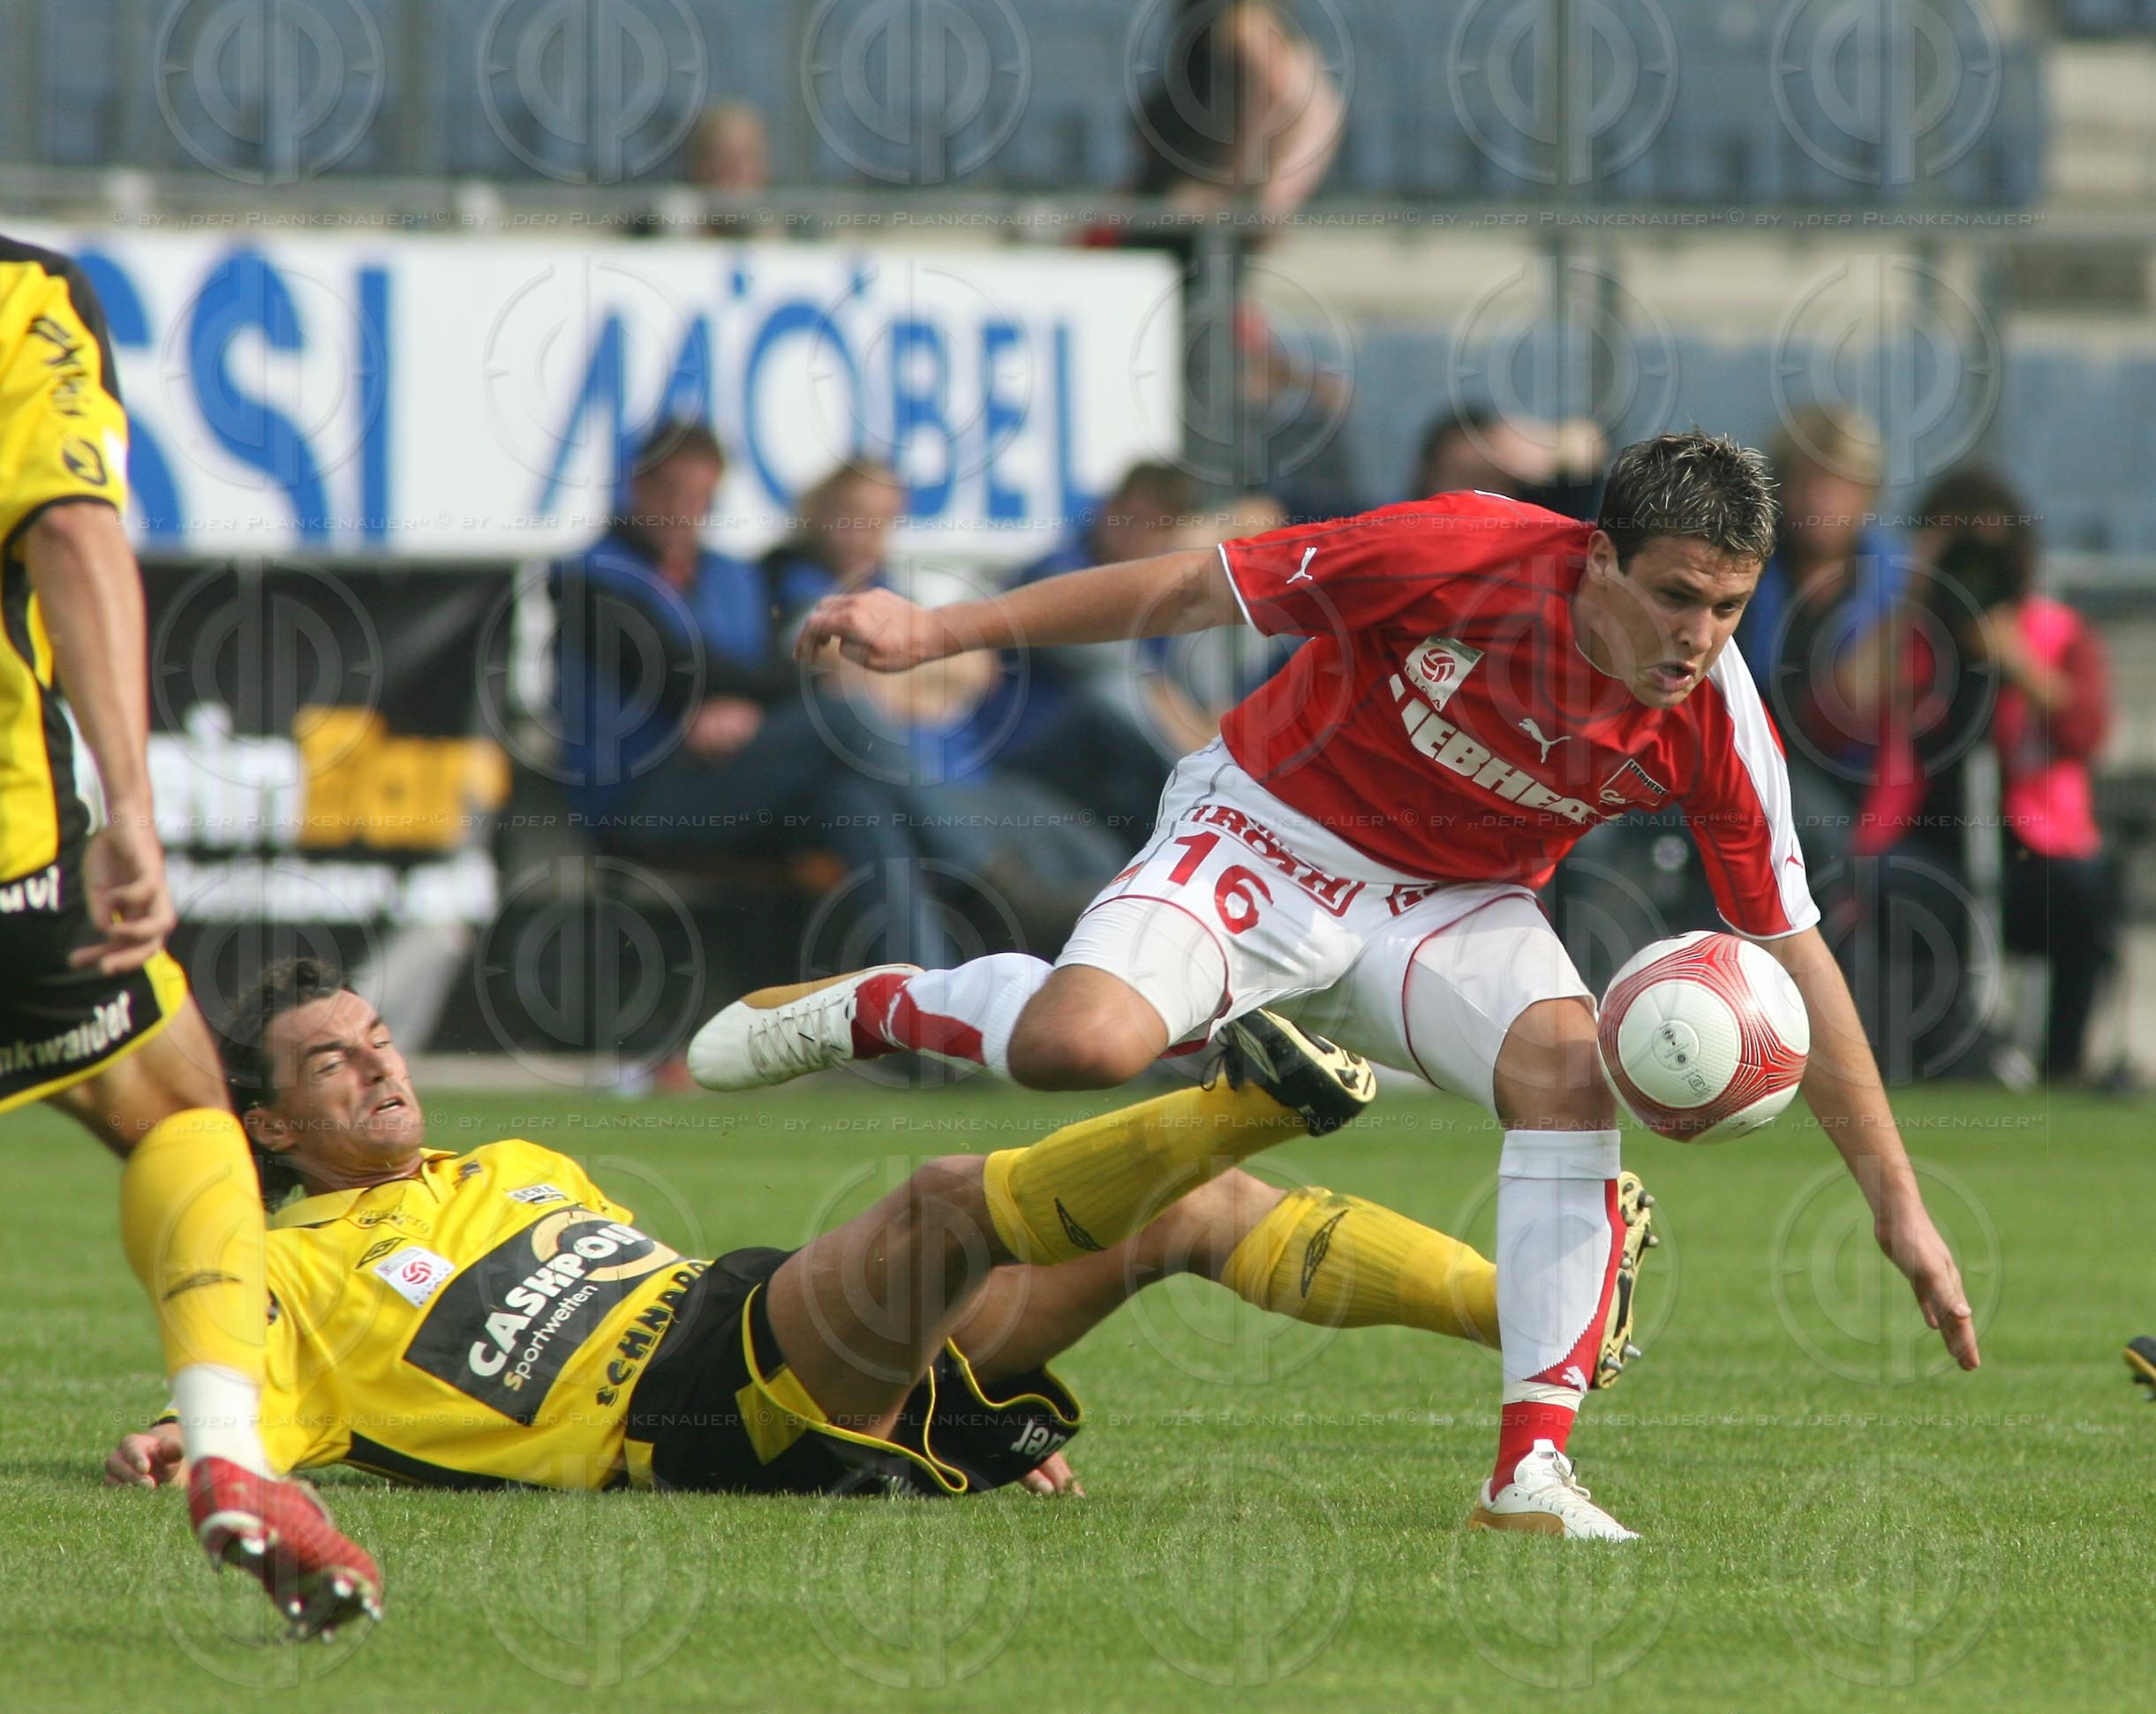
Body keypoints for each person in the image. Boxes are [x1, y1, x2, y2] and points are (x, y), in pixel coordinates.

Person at [694, 431, 1983, 1540]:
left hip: (1452, 907)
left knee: (1564, 1071)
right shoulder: (1460, 550)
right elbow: (1192, 592)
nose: (1697, 638)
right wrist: (936, 629)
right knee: (1076, 1048)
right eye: (1675, 597)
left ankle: (1527, 1472)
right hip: (1267, 831)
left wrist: (1898, 1206)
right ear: (1597, 558)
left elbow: (1795, 951)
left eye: (1727, 609)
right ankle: (879, 1003)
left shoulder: (1716, 717)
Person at [104, 959, 1655, 1516]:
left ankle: (1545, 1323)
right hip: (681, 1407)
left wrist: (929, 1384)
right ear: (271, 1130)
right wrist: (188, 1440)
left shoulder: (517, 1156)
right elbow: (248, 1404)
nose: (380, 1065)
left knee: (1182, 1219)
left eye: (378, 1037)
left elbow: (642, 1276)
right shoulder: (289, 1272)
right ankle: (1234, 1093)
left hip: (760, 1318)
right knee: (937, 1195)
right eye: (332, 1062)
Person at [0, 236, 377, 1635]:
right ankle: (230, 1449)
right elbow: (76, 528)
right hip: (9, 859)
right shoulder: (19, 294)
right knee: (178, 1114)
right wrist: (133, 804)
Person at [551, 428, 954, 967]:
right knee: (844, 712)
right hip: (644, 797)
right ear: (635, 486)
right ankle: (972, 850)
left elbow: (775, 667)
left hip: (739, 780)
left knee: (860, 806)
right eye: (670, 493)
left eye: (699, 498)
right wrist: (740, 692)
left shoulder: (731, 574)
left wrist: (745, 701)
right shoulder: (586, 581)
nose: (683, 511)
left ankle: (928, 1003)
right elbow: (685, 672)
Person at [1847, 467, 2115, 1083]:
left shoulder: (2055, 632)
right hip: (1926, 844)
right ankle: (1919, 1061)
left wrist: (2014, 656)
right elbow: (1841, 709)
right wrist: (1916, 597)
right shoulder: (1909, 635)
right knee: (1889, 886)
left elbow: (2085, 729)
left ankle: (2062, 1065)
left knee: (2082, 894)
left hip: (2034, 850)